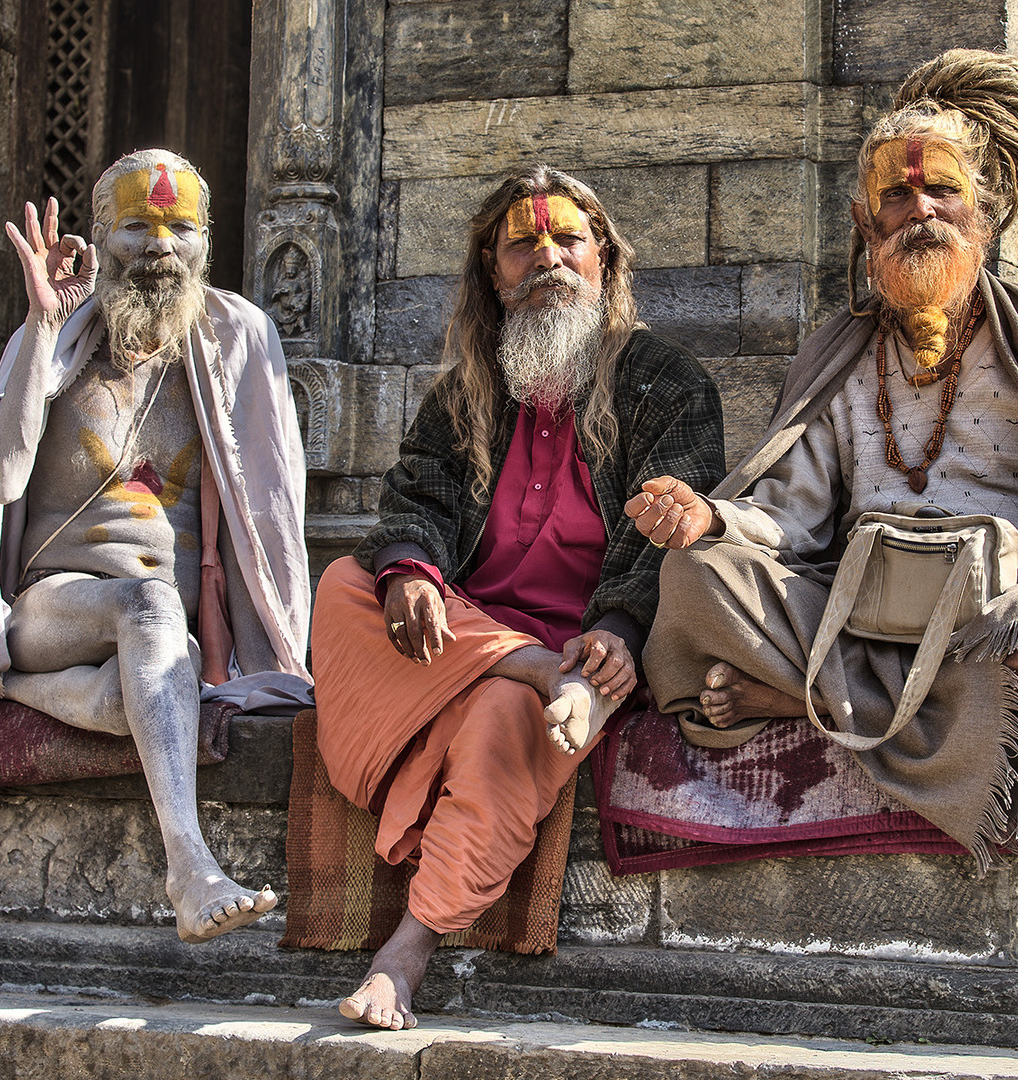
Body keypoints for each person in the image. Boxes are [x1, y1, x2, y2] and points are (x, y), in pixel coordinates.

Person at [630, 50, 1018, 869]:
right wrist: (711, 516)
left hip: (1000, 614)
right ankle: (898, 702)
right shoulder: (837, 349)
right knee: (691, 576)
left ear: (984, 217)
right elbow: (789, 515)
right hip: (857, 613)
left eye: (942, 191)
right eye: (896, 194)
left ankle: (798, 699)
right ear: (867, 225)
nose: (920, 208)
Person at [309, 166, 725, 1029]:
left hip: (592, 643)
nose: (547, 258)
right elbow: (415, 500)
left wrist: (613, 631)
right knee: (345, 585)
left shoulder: (668, 383)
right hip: (472, 632)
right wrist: (410, 575)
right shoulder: (466, 387)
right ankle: (531, 668)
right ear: (492, 275)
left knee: (504, 716)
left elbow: (669, 526)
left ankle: (406, 951)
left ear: (603, 259)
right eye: (522, 245)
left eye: (567, 239)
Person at [0, 149, 312, 943]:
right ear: (101, 235)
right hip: (53, 611)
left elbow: (271, 500)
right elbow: (1, 474)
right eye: (137, 227)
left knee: (153, 689)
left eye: (180, 228)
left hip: (161, 639)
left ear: (205, 240)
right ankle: (191, 868)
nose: (159, 248)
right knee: (148, 608)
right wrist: (41, 327)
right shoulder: (62, 344)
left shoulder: (236, 340)